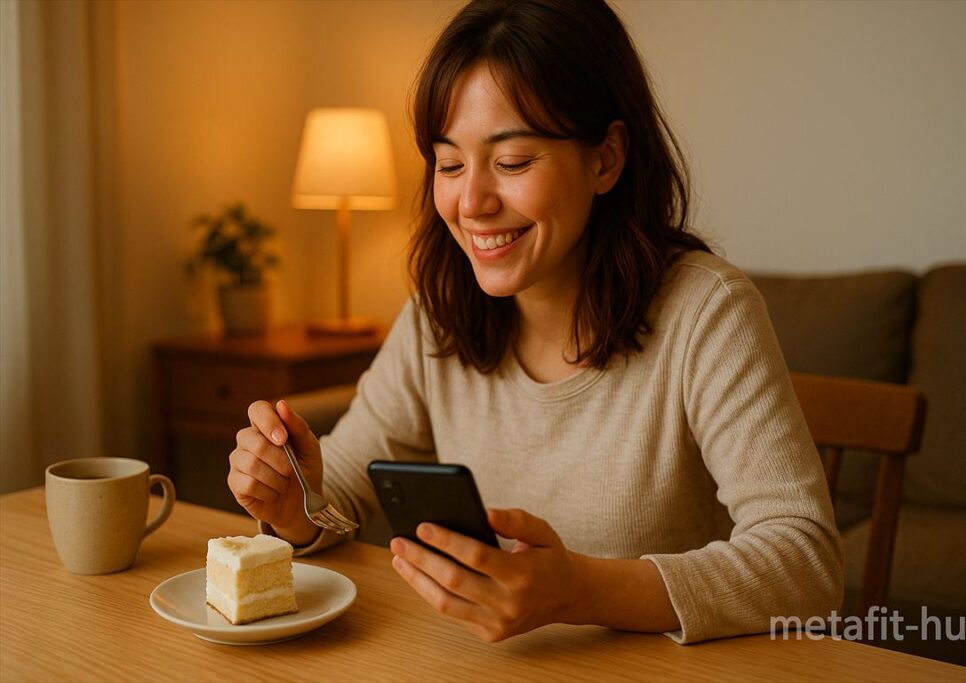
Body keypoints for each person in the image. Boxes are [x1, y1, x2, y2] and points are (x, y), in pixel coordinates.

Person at [229, 0, 842, 644]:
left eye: (513, 161)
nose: (472, 203)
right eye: (449, 163)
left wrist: (581, 591)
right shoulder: (440, 311)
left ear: (605, 158)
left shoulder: (707, 312)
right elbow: (344, 489)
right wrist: (297, 505)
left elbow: (805, 563)